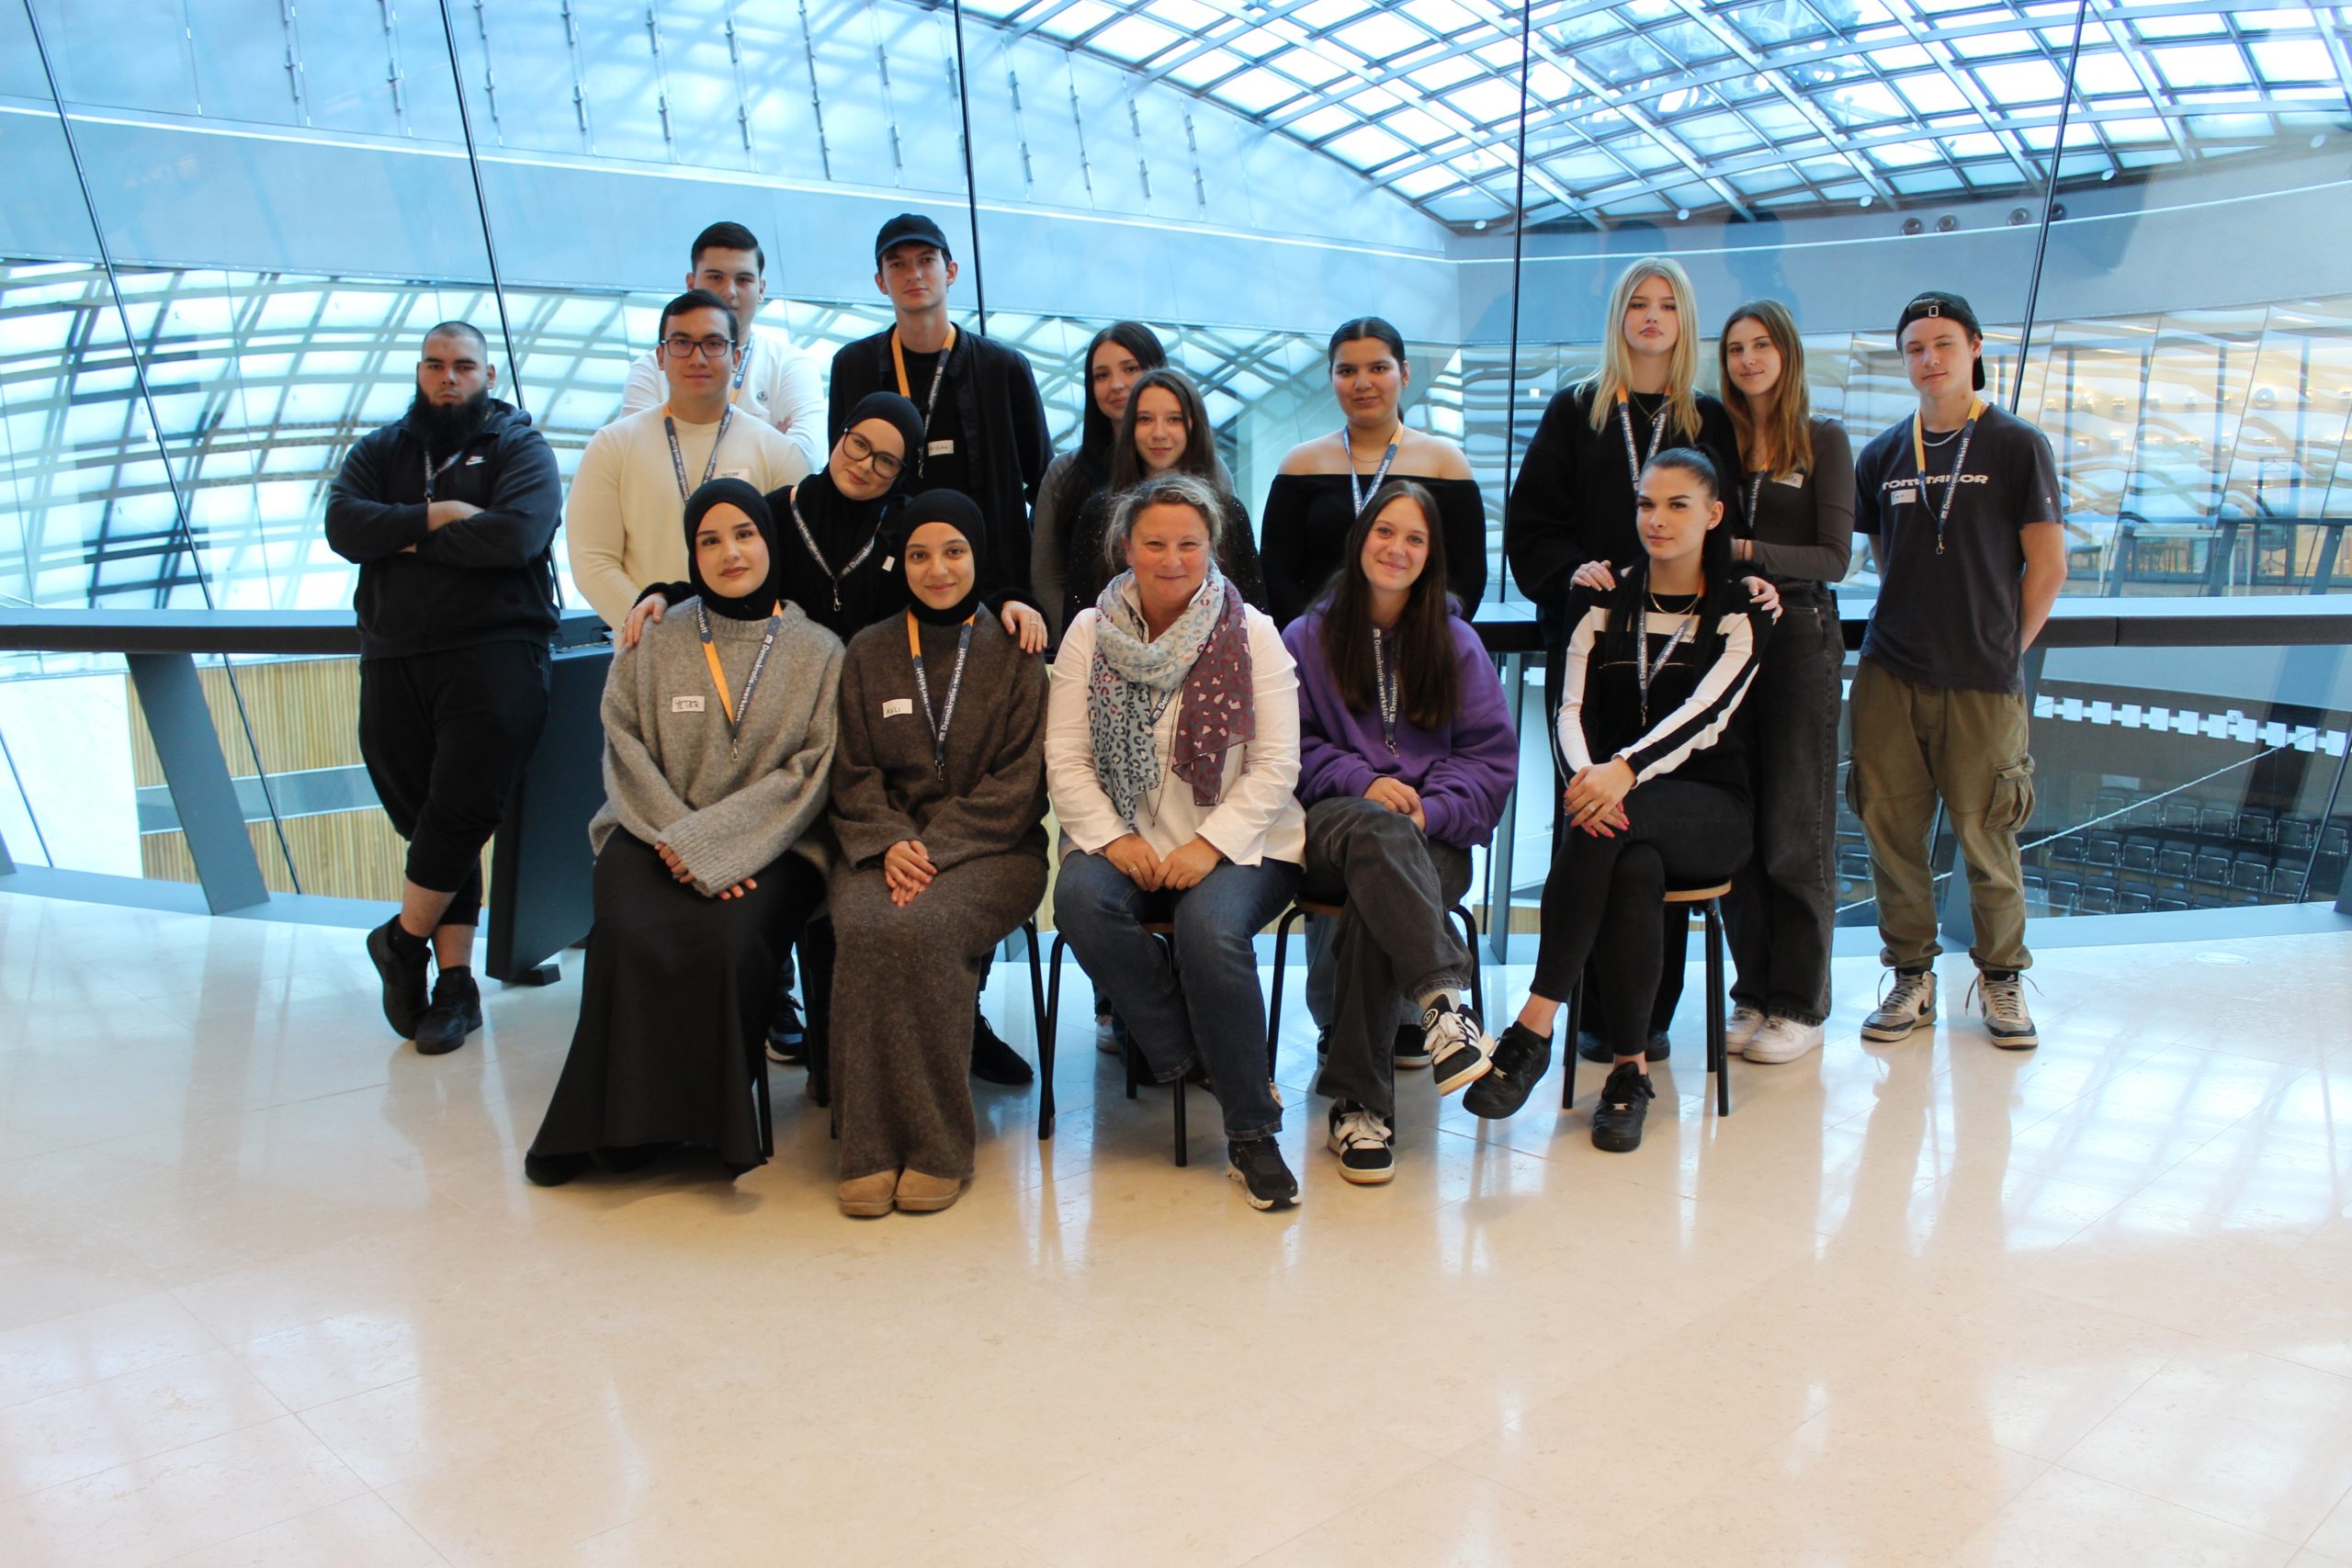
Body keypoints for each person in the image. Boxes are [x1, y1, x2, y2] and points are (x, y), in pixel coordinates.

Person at [624, 393, 1047, 1087]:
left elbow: (953, 580)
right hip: (796, 736)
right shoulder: (781, 509)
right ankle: (833, 1045)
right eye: (858, 445)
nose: (867, 465)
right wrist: (662, 591)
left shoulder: (900, 531)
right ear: (838, 436)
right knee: (831, 877)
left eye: (887, 459)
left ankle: (961, 1023)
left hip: (887, 731)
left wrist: (1009, 600)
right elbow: (729, 566)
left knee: (924, 895)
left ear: (903, 471)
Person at [525, 479, 841, 1185]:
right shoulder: (653, 634)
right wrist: (680, 840)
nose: (731, 552)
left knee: (729, 939)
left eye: (745, 534)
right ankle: (609, 1127)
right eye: (710, 539)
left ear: (768, 541)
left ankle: (705, 1127)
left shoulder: (820, 651)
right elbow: (623, 744)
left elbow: (809, 772)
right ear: (692, 554)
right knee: (627, 933)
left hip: (775, 846)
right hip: (646, 832)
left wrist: (719, 847)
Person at [1467, 450, 1770, 1153]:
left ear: (1714, 514)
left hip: (1710, 806)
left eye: (1677, 505)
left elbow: (1705, 714)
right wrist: (1586, 783)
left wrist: (1621, 774)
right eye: (1645, 504)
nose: (1656, 520)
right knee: (1626, 858)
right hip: (1613, 800)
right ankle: (1629, 1074)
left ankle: (1533, 1028)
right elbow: (1565, 704)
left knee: (1611, 829)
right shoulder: (1603, 596)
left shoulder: (1742, 606)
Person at [1575, 299, 1852, 1065]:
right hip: (1724, 628)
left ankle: (1799, 999)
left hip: (1794, 633)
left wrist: (1747, 553)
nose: (1749, 360)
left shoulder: (1823, 439)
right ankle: (1753, 991)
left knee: (1796, 823)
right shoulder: (1717, 436)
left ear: (1788, 354)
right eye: (1735, 348)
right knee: (1746, 815)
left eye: (1762, 346)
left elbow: (1835, 558)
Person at [1504, 257, 1750, 1066]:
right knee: (1593, 803)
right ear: (1618, 318)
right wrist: (1575, 574)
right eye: (1637, 304)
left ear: (1685, 322)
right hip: (1597, 648)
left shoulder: (1707, 416)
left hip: (1680, 648)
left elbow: (1730, 524)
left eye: (1666, 305)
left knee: (1641, 822)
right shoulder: (1576, 408)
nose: (1651, 317)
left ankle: (1640, 1021)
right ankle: (1586, 1012)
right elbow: (1530, 526)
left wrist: (1755, 589)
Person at [1046, 472, 1307, 1211]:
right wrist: (1110, 837)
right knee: (1080, 899)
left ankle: (1252, 1132)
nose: (1171, 558)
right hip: (1126, 835)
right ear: (1125, 546)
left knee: (1209, 926)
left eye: (1188, 543)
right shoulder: (1090, 633)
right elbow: (1064, 757)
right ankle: (1197, 1053)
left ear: (1211, 547)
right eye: (1154, 542)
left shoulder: (1251, 629)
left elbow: (1277, 764)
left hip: (1244, 842)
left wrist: (1210, 846)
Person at [326, 321, 560, 1055]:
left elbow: (515, 537)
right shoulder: (380, 449)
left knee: (461, 807)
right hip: (393, 654)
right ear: (419, 370)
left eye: (463, 365)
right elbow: (341, 524)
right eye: (434, 364)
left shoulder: (520, 448)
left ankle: (402, 939)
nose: (447, 378)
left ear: (488, 372)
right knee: (429, 818)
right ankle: (453, 986)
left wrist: (395, 537)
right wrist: (437, 517)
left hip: (495, 652)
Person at [1849, 290, 2065, 1052]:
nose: (1928, 359)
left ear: (1975, 347)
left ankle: (2001, 978)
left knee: (1986, 832)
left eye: (1943, 343)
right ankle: (1912, 975)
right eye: (1914, 347)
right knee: (1891, 831)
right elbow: (1884, 561)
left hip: (1983, 678)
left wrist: (2007, 647)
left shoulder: (2015, 444)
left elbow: (2048, 565)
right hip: (1890, 673)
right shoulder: (1880, 454)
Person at [1283, 479, 1518, 1182]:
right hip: (1334, 824)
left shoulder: (1456, 641)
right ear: (1361, 540)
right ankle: (1445, 1003)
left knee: (1373, 898)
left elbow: (1490, 758)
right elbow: (1286, 749)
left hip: (1431, 837)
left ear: (1431, 555)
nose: (1398, 548)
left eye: (1415, 538)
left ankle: (1359, 1105)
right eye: (1386, 531)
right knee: (1373, 839)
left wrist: (1428, 807)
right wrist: (1361, 781)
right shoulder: (1308, 636)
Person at [828, 491, 1049, 1216]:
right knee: (864, 928)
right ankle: (864, 1146)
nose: (937, 568)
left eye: (953, 550)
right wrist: (892, 840)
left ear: (978, 556)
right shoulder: (869, 650)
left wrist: (931, 848)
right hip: (881, 844)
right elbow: (853, 772)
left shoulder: (1015, 653)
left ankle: (936, 1145)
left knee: (922, 928)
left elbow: (1020, 785)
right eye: (920, 554)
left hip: (993, 850)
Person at [829, 212, 1053, 605]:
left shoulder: (1003, 368)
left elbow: (1045, 485)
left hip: (994, 584)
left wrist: (1043, 585)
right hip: (889, 583)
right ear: (881, 282)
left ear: (950, 271)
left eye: (926, 260)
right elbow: (842, 478)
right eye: (897, 264)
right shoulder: (854, 366)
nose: (913, 273)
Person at [568, 288, 807, 629]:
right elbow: (592, 559)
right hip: (648, 647)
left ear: (735, 357)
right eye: (681, 343)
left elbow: (791, 561)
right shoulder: (613, 445)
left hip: (749, 647)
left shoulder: (776, 451)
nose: (697, 358)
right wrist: (653, 628)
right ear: (660, 357)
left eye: (713, 343)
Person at [1261, 318, 1487, 628]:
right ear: (1331, 377)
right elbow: (1278, 572)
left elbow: (1468, 576)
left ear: (1404, 374)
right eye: (1347, 371)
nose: (1362, 383)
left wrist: (1422, 635)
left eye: (1378, 368)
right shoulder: (1301, 463)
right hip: (1318, 645)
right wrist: (1311, 640)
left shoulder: (1446, 463)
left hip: (1420, 644)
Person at [1057, 367, 1266, 630]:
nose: (1158, 433)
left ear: (1194, 426)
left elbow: (1254, 615)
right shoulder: (1099, 512)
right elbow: (1078, 619)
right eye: (1145, 419)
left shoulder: (1229, 512)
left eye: (1174, 419)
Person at [616, 220, 825, 475]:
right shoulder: (651, 368)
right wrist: (770, 442)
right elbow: (636, 460)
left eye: (744, 280)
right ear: (691, 282)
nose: (729, 292)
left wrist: (685, 451)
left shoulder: (790, 365)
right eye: (716, 277)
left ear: (761, 289)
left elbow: (804, 461)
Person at [1033, 321, 1167, 644]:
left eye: (1130, 369)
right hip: (1089, 648)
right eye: (1101, 375)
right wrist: (1088, 641)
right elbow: (1046, 578)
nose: (1117, 385)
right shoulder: (1064, 473)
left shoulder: (1206, 469)